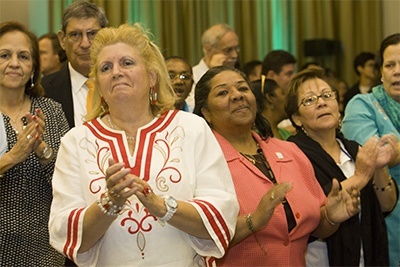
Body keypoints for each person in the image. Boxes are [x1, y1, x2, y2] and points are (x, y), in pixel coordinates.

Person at [48, 23, 239, 267]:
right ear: (99, 86)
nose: (116, 72)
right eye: (106, 68)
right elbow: (66, 233)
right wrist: (109, 203)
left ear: (151, 76)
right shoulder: (76, 142)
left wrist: (161, 206)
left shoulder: (192, 128)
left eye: (127, 63)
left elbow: (221, 215)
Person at [193, 65, 361, 266]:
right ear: (206, 112)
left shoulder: (289, 151)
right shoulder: (202, 161)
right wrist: (253, 221)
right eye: (223, 92)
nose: (237, 96)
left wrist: (331, 217)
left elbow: (315, 225)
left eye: (243, 89)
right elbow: (199, 237)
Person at [285, 67, 397, 266]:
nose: (321, 102)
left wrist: (379, 167)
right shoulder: (292, 155)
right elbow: (307, 214)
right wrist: (360, 178)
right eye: (310, 100)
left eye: (327, 95)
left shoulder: (353, 149)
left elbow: (386, 205)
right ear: (296, 118)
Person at [0, 21, 69, 266]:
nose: (14, 63)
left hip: (46, 247)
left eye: (23, 56)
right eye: (4, 55)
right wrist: (11, 157)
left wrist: (43, 152)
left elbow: (70, 182)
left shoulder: (51, 111)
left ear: (33, 69)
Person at [342, 33, 400, 267]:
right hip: (388, 223)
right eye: (390, 65)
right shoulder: (362, 105)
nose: (397, 71)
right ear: (381, 72)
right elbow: (373, 156)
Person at [42, 0, 108, 128]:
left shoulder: (122, 83)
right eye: (75, 35)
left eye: (92, 34)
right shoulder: (44, 91)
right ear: (62, 40)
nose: (85, 44)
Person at [187, 23, 240, 110]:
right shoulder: (192, 75)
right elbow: (193, 108)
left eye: (236, 49)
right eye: (228, 50)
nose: (235, 55)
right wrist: (215, 73)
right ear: (208, 49)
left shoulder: (237, 74)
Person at [262, 50, 297, 135]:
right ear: (271, 75)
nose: (294, 78)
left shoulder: (295, 98)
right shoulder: (258, 102)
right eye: (289, 74)